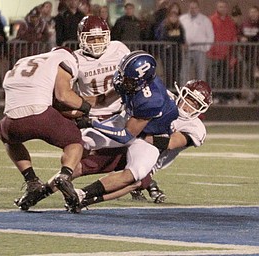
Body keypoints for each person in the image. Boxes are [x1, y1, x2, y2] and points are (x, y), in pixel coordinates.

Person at [12, 15, 131, 211]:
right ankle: (46, 190)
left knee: (139, 148)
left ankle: (145, 181)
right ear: (81, 38)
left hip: (121, 114)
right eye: (91, 38)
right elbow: (64, 93)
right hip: (93, 118)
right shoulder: (74, 59)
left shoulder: (119, 48)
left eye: (100, 38)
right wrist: (81, 111)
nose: (97, 43)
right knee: (79, 163)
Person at [62, 50, 179, 213]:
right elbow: (102, 99)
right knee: (81, 139)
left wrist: (92, 122)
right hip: (128, 121)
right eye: (123, 74)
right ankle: (53, 183)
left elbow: (126, 136)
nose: (122, 80)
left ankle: (83, 194)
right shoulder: (129, 81)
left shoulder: (152, 99)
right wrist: (74, 103)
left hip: (149, 137)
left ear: (142, 82)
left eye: (128, 79)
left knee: (135, 173)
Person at [73, 79, 213, 209]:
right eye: (189, 99)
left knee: (135, 180)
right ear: (181, 92)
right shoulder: (163, 97)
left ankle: (85, 197)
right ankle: (58, 183)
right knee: (85, 156)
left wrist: (134, 133)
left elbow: (169, 143)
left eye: (195, 104)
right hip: (127, 140)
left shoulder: (195, 128)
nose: (189, 106)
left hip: (148, 154)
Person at [0, 47, 92, 211]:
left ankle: (31, 180)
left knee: (7, 138)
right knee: (75, 141)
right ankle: (64, 175)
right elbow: (63, 96)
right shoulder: (64, 59)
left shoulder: (25, 60)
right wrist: (86, 108)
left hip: (12, 121)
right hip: (41, 115)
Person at [207, 0, 237, 103]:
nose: (222, 9)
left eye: (224, 7)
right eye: (220, 7)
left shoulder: (230, 21)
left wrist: (232, 55)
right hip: (213, 54)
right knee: (213, 77)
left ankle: (225, 97)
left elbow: (233, 37)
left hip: (226, 55)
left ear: (227, 8)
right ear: (217, 7)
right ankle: (214, 97)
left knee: (225, 77)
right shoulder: (211, 20)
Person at [179, 0, 214, 83]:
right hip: (186, 51)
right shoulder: (182, 19)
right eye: (191, 8)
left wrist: (205, 48)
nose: (193, 9)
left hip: (200, 51)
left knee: (201, 75)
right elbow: (178, 34)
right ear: (188, 8)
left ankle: (200, 94)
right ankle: (183, 93)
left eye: (195, 8)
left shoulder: (205, 20)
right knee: (184, 74)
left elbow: (210, 36)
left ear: (198, 8)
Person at [157, 10, 185, 87]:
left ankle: (176, 89)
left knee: (176, 72)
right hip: (167, 52)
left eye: (175, 17)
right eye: (172, 17)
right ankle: (169, 89)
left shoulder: (179, 27)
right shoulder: (165, 26)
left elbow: (182, 39)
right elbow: (164, 38)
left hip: (177, 52)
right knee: (168, 72)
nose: (173, 18)